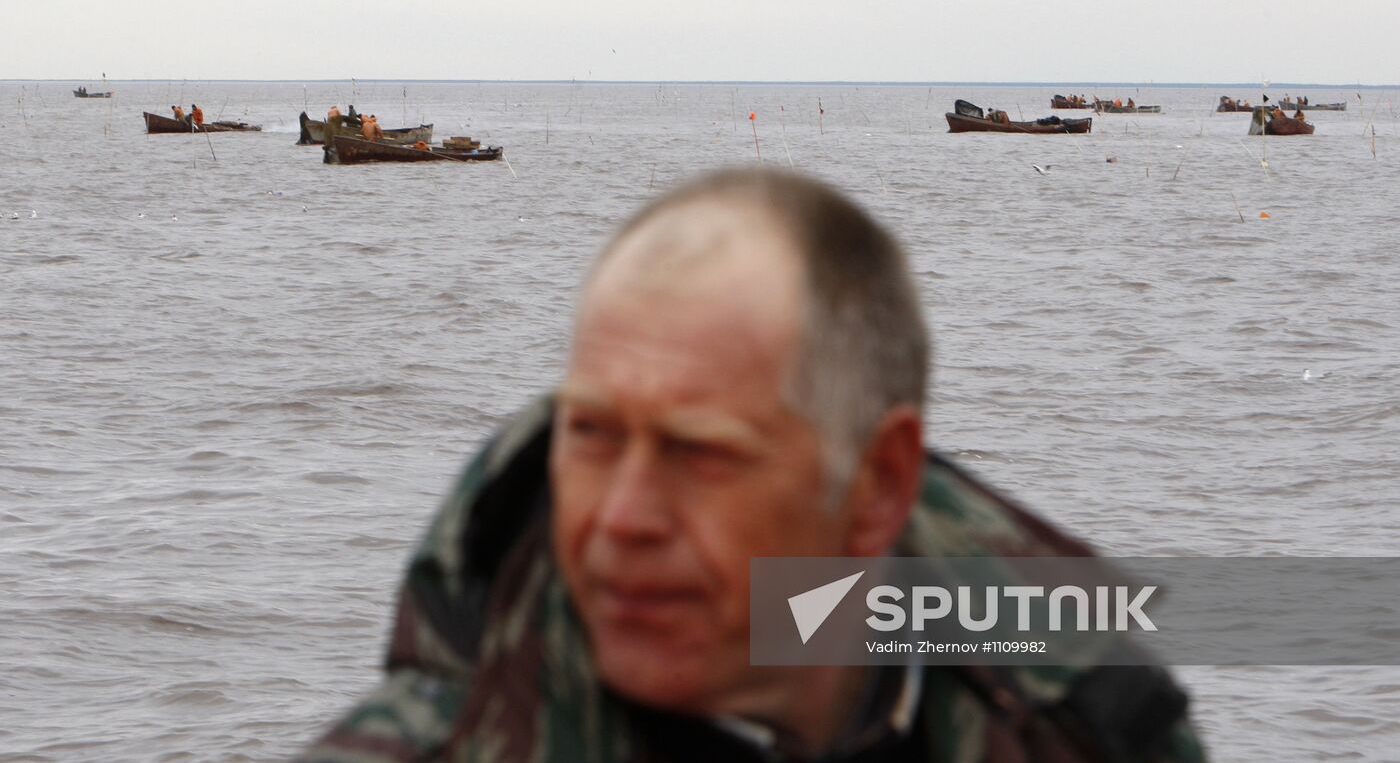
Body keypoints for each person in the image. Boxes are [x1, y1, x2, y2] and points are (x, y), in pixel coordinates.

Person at [296, 169, 1207, 763]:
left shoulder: (1087, 727)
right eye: (592, 435)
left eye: (701, 454)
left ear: (876, 484)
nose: (620, 519)